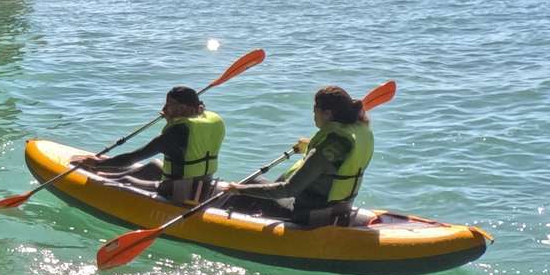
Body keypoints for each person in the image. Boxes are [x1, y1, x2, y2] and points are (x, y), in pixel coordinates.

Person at [223, 84, 373, 226]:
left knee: (252, 181)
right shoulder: (357, 134)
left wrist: (238, 189)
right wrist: (309, 146)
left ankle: (223, 224)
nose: (313, 115)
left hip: (308, 214)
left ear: (327, 114)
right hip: (340, 208)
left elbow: (287, 190)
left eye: (315, 110)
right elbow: (335, 160)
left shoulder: (322, 151)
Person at [74, 85, 225, 203]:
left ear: (184, 108)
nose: (164, 109)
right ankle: (106, 173)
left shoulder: (177, 131)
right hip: (202, 185)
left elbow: (133, 158)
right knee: (153, 166)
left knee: (126, 181)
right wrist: (172, 119)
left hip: (180, 193)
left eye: (169, 104)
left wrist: (97, 163)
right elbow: (183, 150)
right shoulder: (212, 120)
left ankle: (98, 172)